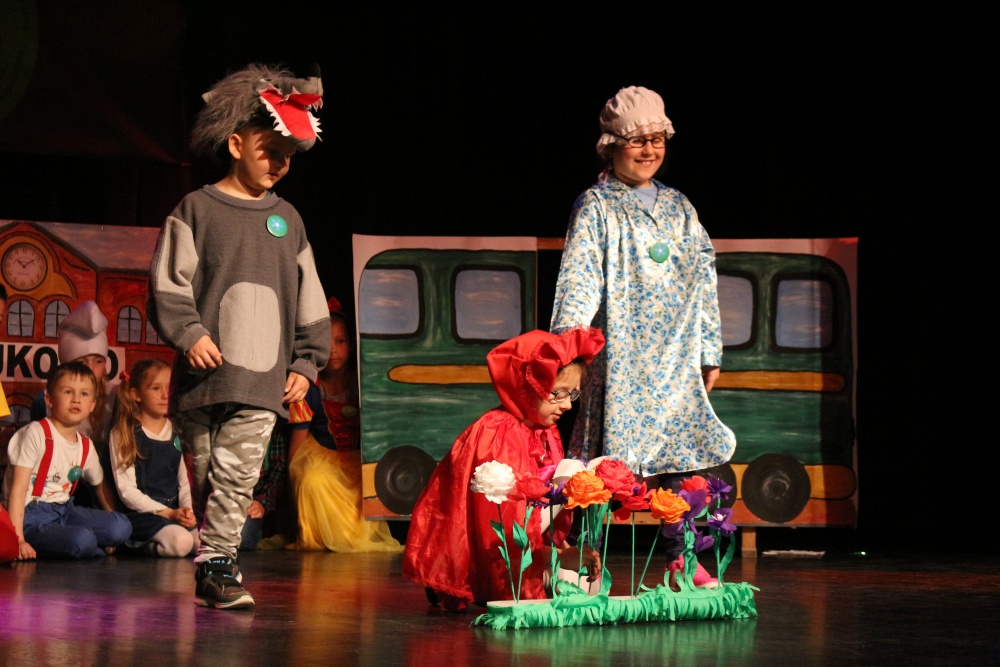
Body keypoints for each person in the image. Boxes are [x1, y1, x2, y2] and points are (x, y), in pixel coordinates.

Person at [147, 63, 330, 609]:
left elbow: (310, 296)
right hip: (202, 379)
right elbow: (168, 282)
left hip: (260, 379)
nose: (279, 163)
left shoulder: (288, 220)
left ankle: (218, 568)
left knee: (236, 476)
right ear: (235, 145)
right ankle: (216, 557)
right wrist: (189, 332)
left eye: (287, 155)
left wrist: (306, 361)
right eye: (269, 150)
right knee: (209, 479)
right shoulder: (196, 210)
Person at [549, 85, 736, 586]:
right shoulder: (597, 205)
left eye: (658, 140)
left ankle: (681, 560)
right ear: (613, 145)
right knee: (605, 464)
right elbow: (580, 277)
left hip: (675, 357)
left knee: (681, 458)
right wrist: (570, 351)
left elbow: (703, 279)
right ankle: (580, 561)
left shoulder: (679, 207)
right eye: (637, 140)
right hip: (621, 358)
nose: (649, 150)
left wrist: (708, 350)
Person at [403, 327, 606, 610]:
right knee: (572, 471)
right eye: (557, 394)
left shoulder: (542, 430)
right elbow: (500, 522)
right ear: (527, 387)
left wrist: (565, 550)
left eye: (571, 394)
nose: (567, 406)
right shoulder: (502, 431)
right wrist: (556, 556)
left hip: (527, 545)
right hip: (498, 550)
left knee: (587, 587)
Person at [286, 297, 402, 553]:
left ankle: (349, 537)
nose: (334, 350)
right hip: (322, 457)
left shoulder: (364, 381)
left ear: (351, 344)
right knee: (312, 479)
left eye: (340, 341)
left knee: (369, 483)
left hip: (357, 458)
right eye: (326, 343)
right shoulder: (309, 387)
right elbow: (297, 447)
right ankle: (320, 537)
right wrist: (295, 483)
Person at [3, 361, 131, 559]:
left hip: (65, 510)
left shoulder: (85, 445)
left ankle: (84, 544)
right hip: (31, 514)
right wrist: (17, 539)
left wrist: (111, 523)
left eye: (84, 394)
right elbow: (17, 491)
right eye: (68, 392)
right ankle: (79, 545)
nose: (76, 400)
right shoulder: (36, 433)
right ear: (50, 400)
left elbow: (99, 485)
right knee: (82, 539)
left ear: (92, 405)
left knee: (121, 526)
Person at [109, 357, 199, 557]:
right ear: (136, 394)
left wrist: (187, 510)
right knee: (182, 542)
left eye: (169, 387)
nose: (165, 395)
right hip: (144, 514)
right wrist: (167, 513)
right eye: (156, 388)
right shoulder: (124, 432)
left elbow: (185, 483)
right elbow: (127, 491)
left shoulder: (177, 430)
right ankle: (141, 546)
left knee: (202, 543)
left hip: (174, 511)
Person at [240, 418, 294, 550]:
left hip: (253, 500)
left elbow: (278, 471)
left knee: (242, 537)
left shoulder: (273, 427)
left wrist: (262, 503)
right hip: (225, 496)